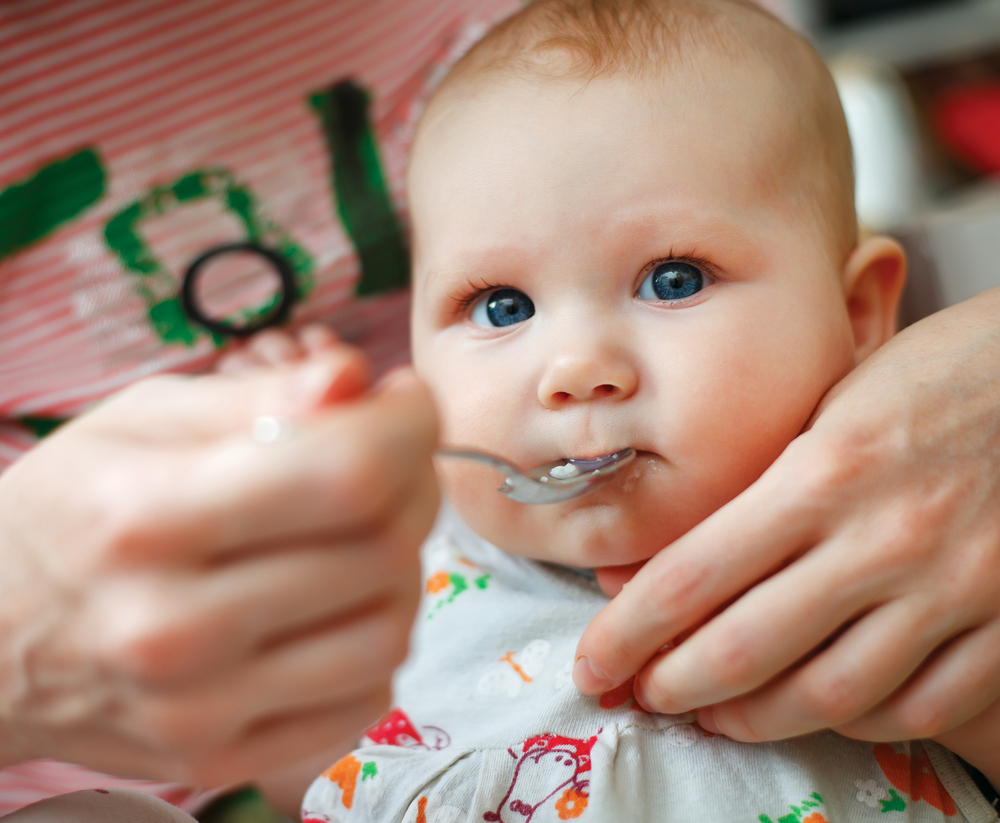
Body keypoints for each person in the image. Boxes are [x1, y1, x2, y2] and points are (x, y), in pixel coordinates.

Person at [287, 0, 999, 818]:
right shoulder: (382, 584)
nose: (576, 369)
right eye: (501, 305)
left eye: (674, 280)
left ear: (860, 313)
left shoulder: (924, 556)